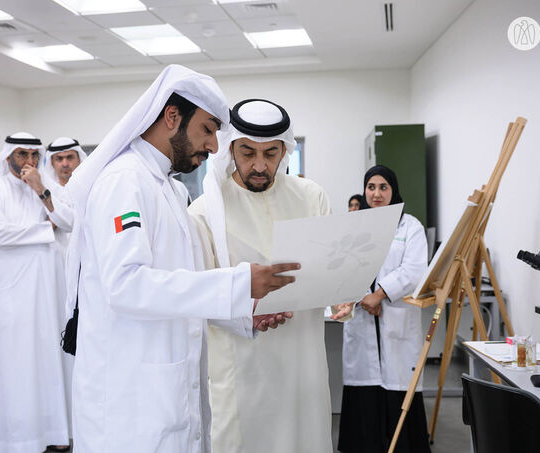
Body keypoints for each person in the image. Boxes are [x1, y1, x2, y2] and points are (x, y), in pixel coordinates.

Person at [65, 65, 298, 452]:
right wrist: (239, 282)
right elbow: (126, 286)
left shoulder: (172, 191)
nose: (213, 146)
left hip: (167, 391)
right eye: (207, 129)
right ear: (172, 117)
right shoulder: (124, 181)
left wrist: (243, 313)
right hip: (130, 402)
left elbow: (183, 285)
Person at [189, 98, 354, 453]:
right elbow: (196, 297)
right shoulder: (204, 213)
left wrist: (342, 292)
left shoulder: (311, 198)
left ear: (286, 151)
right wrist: (245, 308)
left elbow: (333, 268)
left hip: (302, 366)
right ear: (230, 148)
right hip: (241, 370)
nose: (260, 165)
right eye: (248, 153)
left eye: (271, 154)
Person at [0, 132, 71, 453]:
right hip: (12, 296)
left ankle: (56, 434)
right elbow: (0, 233)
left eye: (34, 155)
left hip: (48, 294)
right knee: (17, 367)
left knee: (50, 363)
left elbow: (67, 220)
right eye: (21, 155)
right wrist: (46, 230)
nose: (28, 162)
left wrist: (39, 189)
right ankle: (19, 441)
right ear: (7, 157)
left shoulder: (46, 189)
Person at [338, 165, 430, 453]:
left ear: (393, 191)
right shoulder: (355, 225)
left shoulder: (410, 226)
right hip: (364, 314)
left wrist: (380, 294)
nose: (376, 193)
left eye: (383, 187)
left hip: (394, 315)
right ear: (364, 191)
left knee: (398, 382)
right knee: (364, 384)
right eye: (371, 187)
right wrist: (366, 297)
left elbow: (414, 270)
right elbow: (344, 265)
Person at [43, 137, 87, 433]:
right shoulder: (44, 190)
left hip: (82, 285)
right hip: (49, 284)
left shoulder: (87, 186)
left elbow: (67, 220)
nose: (65, 164)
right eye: (58, 159)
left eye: (70, 158)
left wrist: (49, 206)